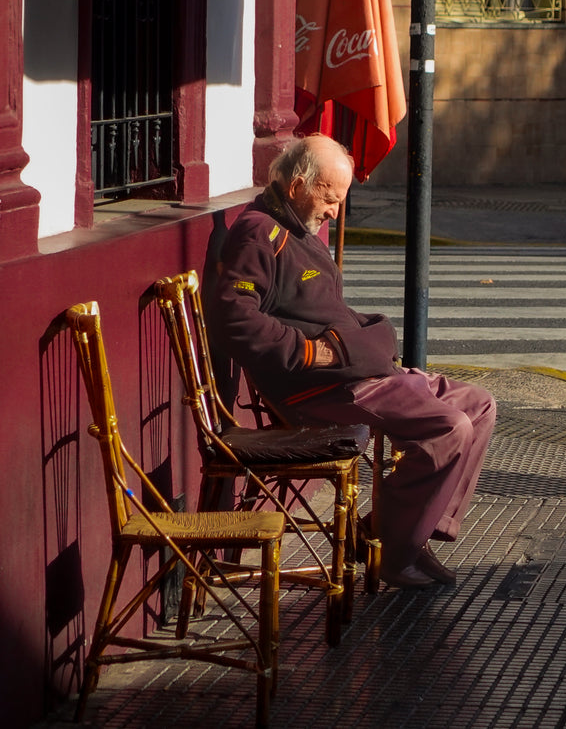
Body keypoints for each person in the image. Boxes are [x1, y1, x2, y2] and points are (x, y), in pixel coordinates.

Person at [206, 134, 497, 589]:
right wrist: (311, 351)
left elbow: (325, 311)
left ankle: (401, 535)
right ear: (298, 186)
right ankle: (395, 554)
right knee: (449, 429)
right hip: (323, 387)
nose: (334, 213)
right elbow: (234, 318)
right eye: (330, 198)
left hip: (360, 373)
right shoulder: (260, 232)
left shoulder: (299, 229)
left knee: (479, 405)